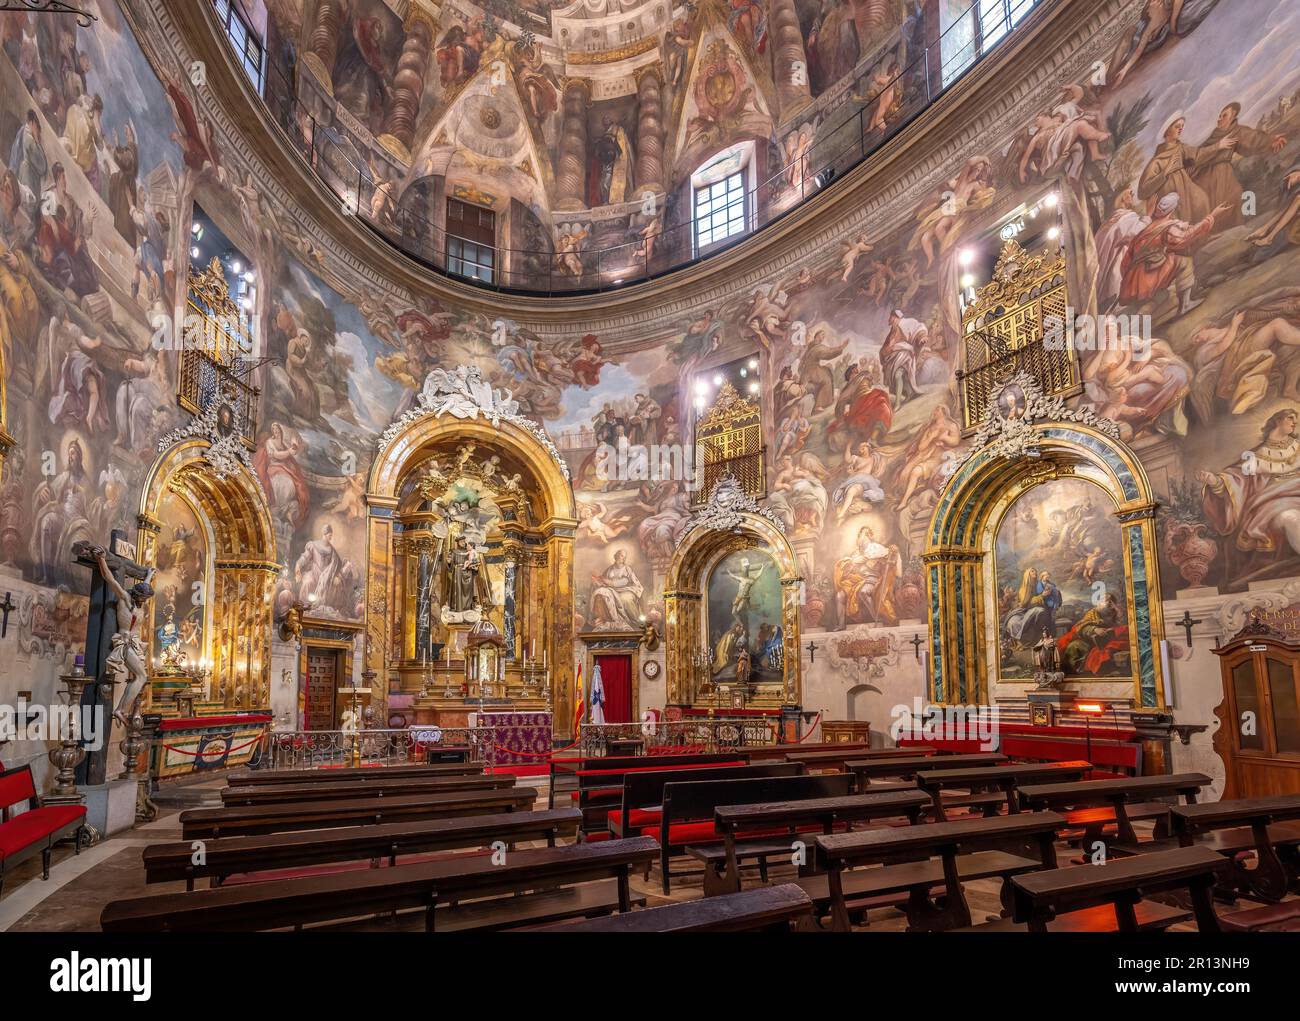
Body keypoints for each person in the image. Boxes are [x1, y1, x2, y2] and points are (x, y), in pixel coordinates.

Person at [93, 546, 154, 727]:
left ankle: (121, 709)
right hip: (125, 643)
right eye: (142, 598)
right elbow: (110, 579)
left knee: (140, 676)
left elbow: (146, 587)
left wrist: (149, 575)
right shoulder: (125, 599)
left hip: (134, 644)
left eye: (146, 599)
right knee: (141, 676)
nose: (144, 601)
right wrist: (102, 559)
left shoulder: (140, 603)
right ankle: (120, 710)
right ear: (136, 594)